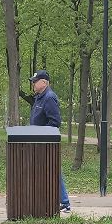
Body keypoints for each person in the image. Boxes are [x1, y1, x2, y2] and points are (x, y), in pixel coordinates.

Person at [27, 70, 69, 213]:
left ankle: (64, 203)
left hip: (47, 142)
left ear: (43, 82)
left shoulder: (49, 97)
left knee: (54, 170)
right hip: (37, 141)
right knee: (43, 171)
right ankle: (42, 200)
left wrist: (40, 132)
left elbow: (55, 122)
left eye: (35, 81)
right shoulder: (39, 97)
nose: (33, 83)